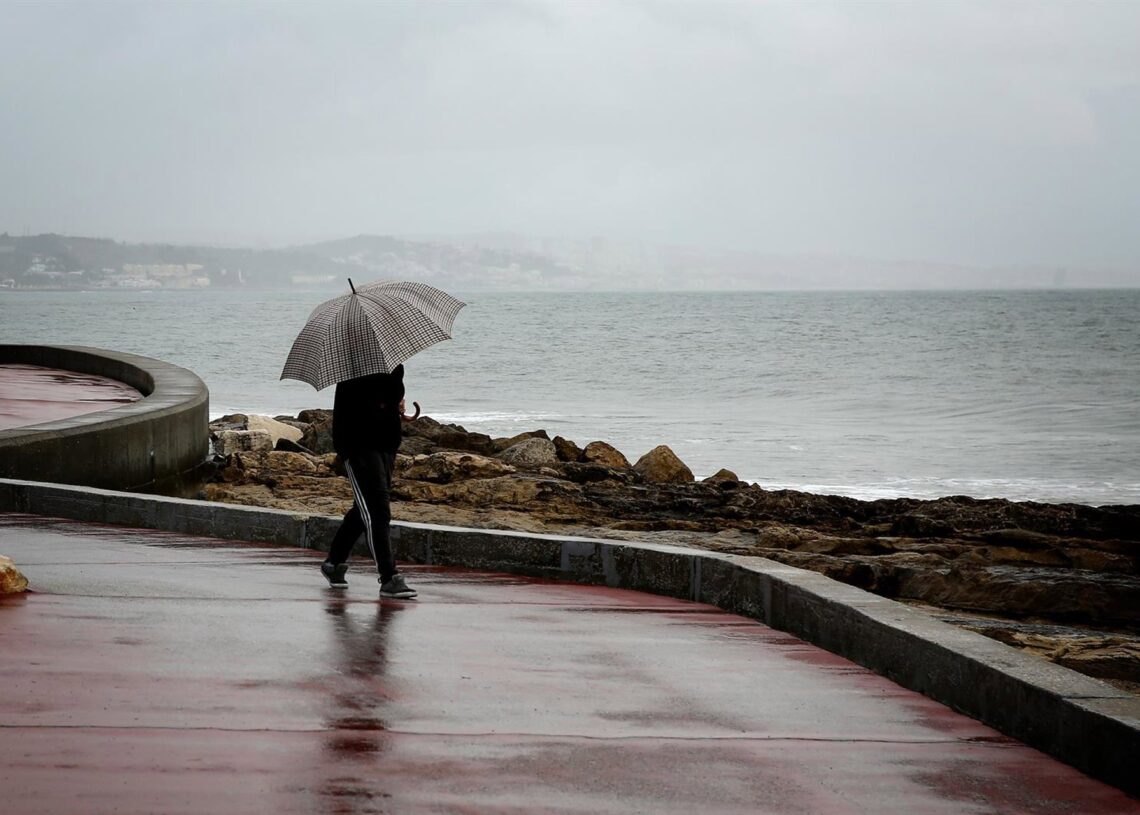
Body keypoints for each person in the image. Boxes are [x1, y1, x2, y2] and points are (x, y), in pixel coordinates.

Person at [320, 363, 417, 599]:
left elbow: (389, 393)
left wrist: (398, 405)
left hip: (387, 443)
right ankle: (389, 577)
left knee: (363, 508)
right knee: (377, 511)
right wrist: (382, 404)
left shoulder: (391, 362)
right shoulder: (351, 367)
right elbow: (357, 407)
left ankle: (333, 563)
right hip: (358, 445)